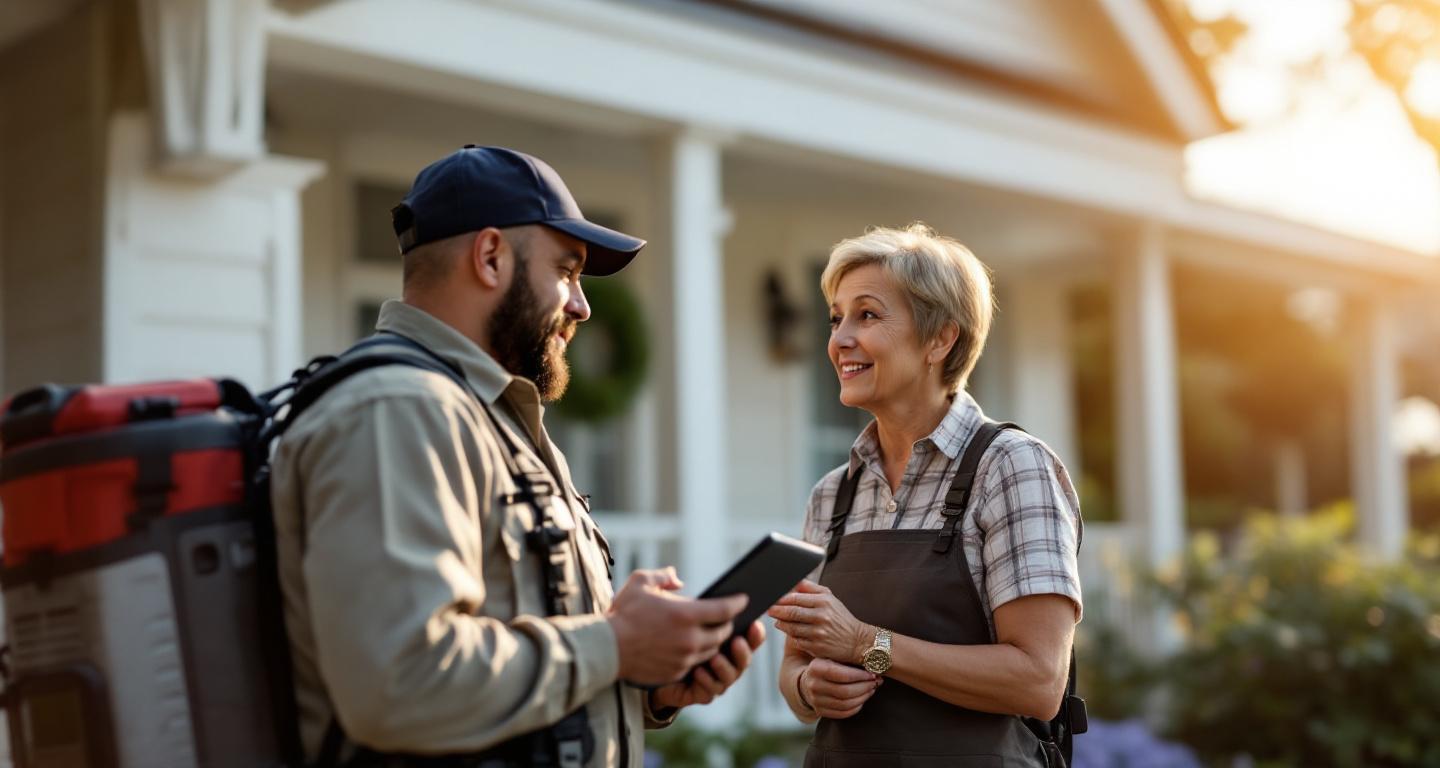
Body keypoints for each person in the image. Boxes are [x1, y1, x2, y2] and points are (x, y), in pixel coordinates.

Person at [270, 145, 764, 766]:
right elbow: (402, 683)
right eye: (567, 270)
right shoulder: (400, 410)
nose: (581, 305)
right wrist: (615, 641)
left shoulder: (490, 416)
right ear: (491, 256)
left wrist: (648, 679)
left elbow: (516, 660)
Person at [768, 223, 1082, 766]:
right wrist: (808, 687)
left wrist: (867, 643)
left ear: (941, 339)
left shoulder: (1010, 468)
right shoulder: (831, 496)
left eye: (867, 315)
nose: (841, 339)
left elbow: (1038, 681)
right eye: (836, 317)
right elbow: (795, 670)